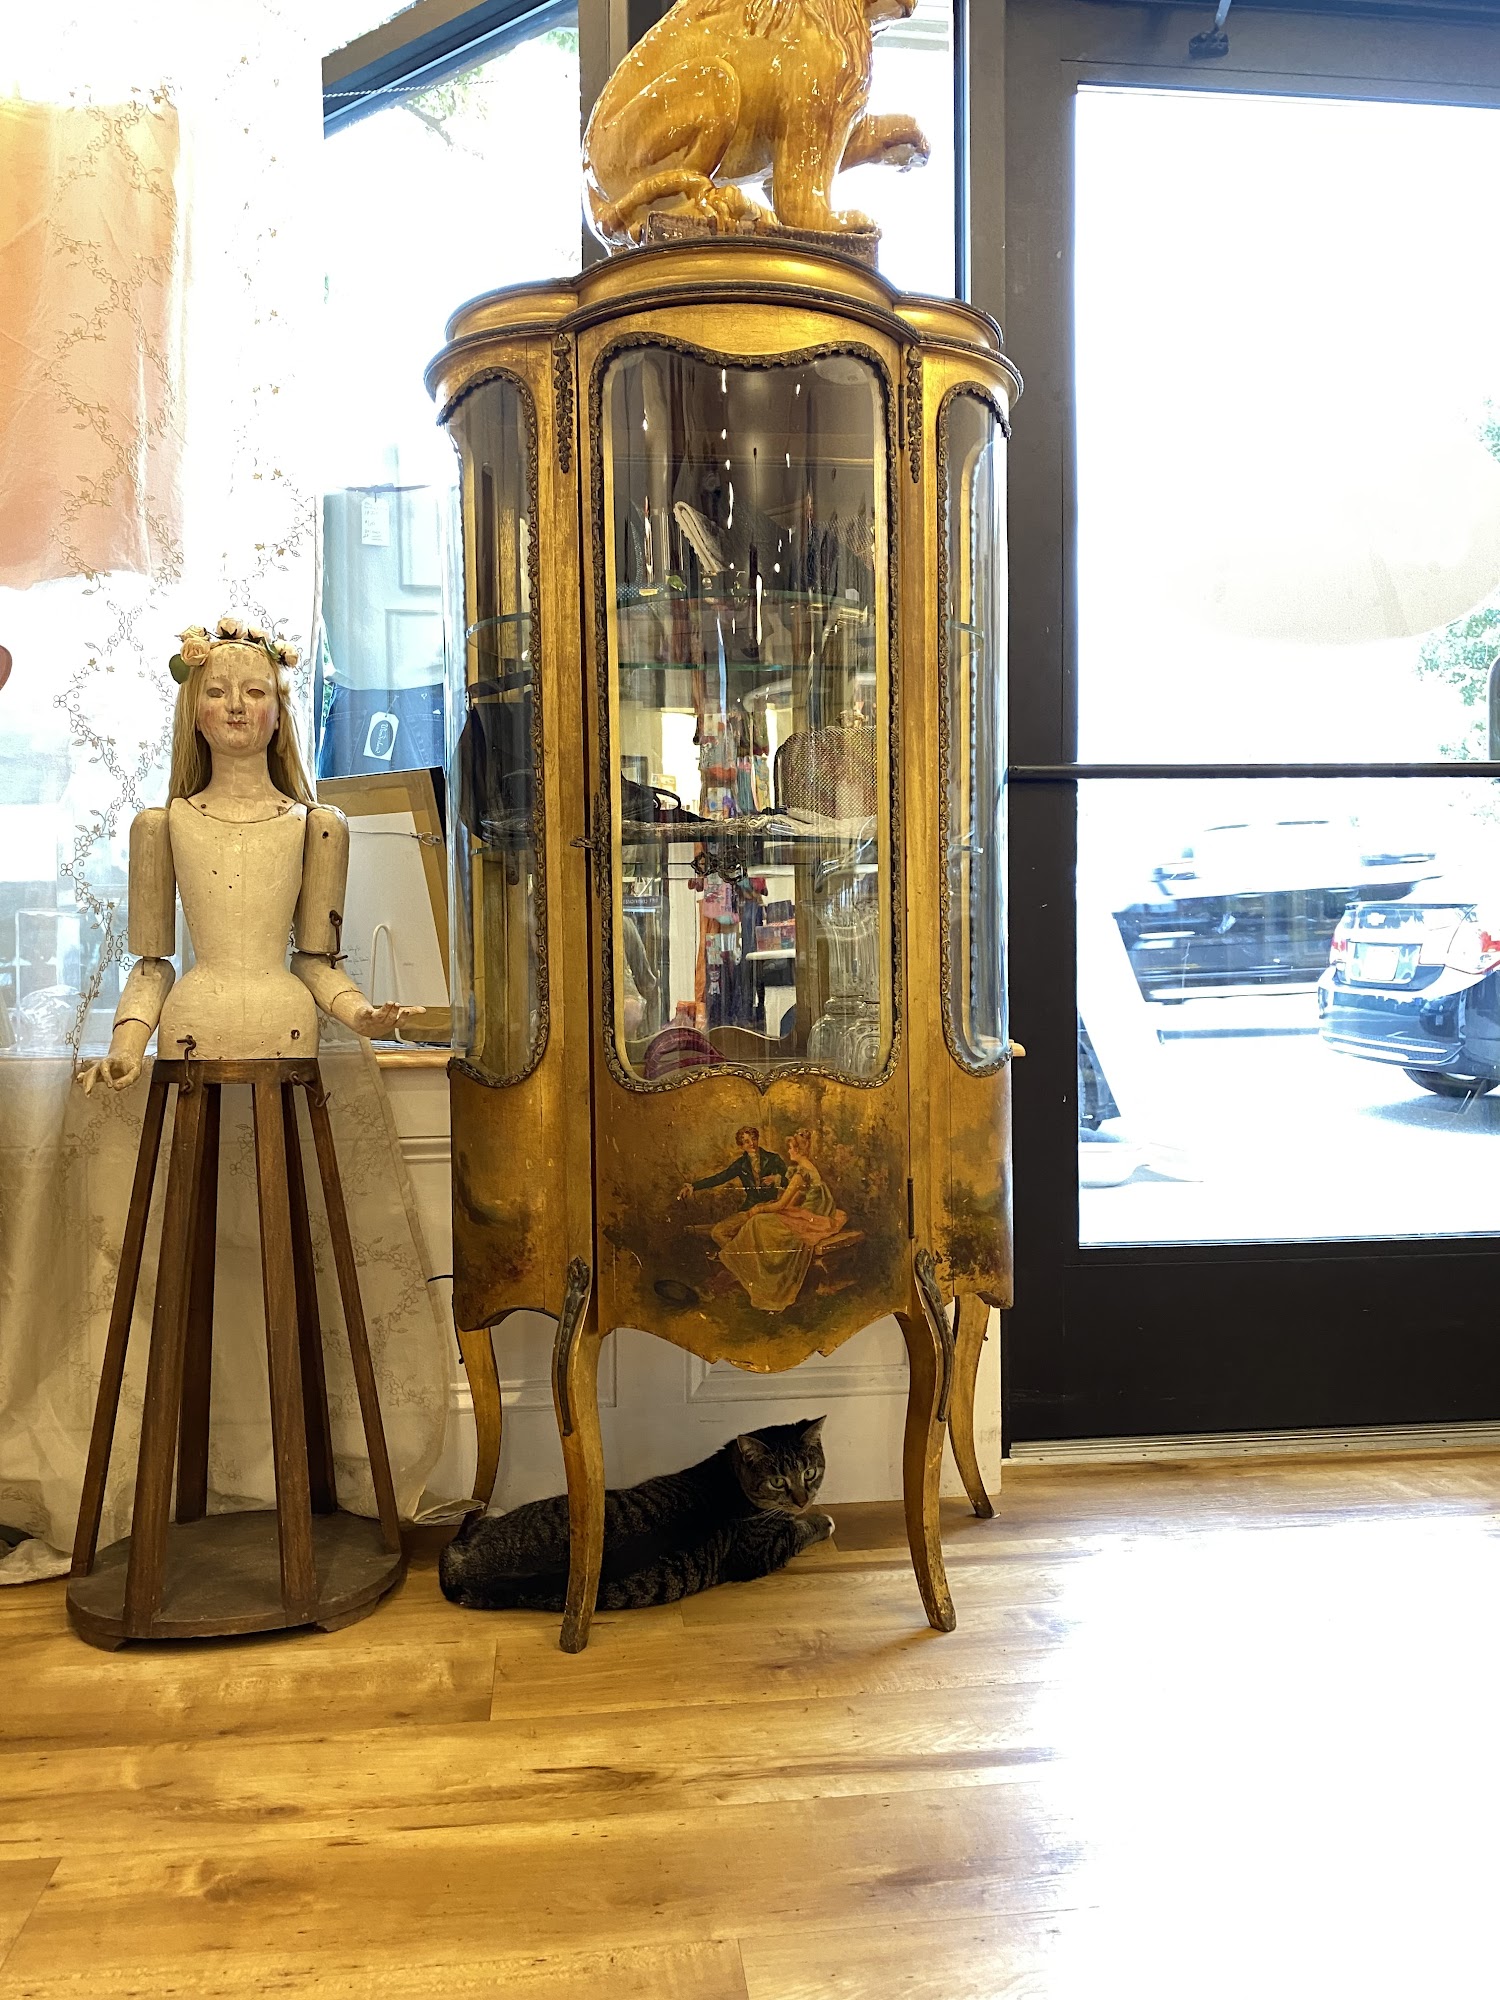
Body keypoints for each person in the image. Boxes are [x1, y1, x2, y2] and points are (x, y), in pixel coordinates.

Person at [80, 617, 410, 1093]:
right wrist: (125, 1048)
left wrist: (361, 1014)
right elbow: (152, 966)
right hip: (191, 1024)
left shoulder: (317, 827)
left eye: (254, 692)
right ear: (195, 714)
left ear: (279, 715)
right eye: (216, 693)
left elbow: (313, 960)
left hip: (286, 1023)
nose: (235, 705)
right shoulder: (162, 825)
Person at [713, 1128, 847, 1313]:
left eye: (791, 1148)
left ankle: (759, 1275)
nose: (789, 1152)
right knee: (761, 1221)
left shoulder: (801, 1174)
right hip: (806, 1214)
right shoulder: (807, 1169)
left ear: (798, 1150)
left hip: (807, 1219)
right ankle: (748, 1269)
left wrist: (760, 1209)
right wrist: (775, 1208)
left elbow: (782, 1204)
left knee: (757, 1223)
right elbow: (793, 1201)